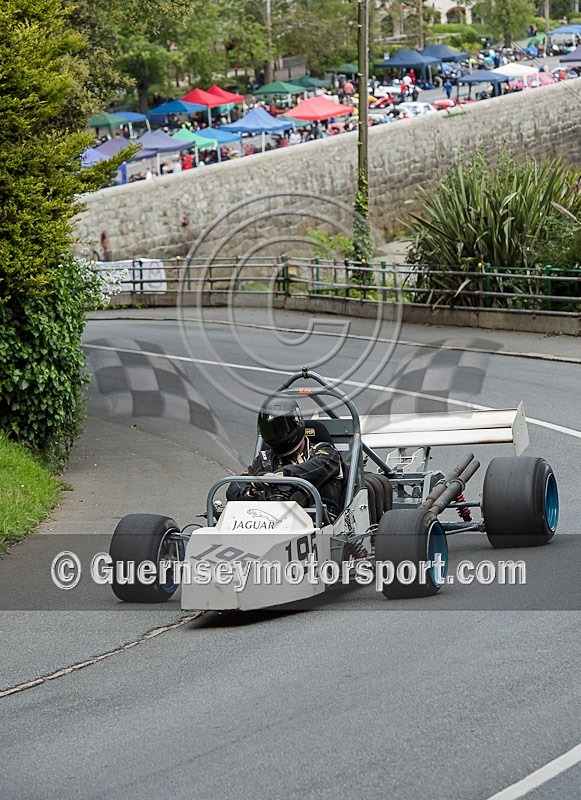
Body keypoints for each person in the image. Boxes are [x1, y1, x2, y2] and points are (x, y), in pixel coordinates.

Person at [226, 396, 343, 521]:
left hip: (319, 524)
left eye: (281, 430)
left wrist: (283, 476)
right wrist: (254, 489)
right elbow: (234, 487)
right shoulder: (266, 460)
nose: (275, 435)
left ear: (296, 422)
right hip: (269, 523)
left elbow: (322, 465)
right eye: (269, 431)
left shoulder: (324, 452)